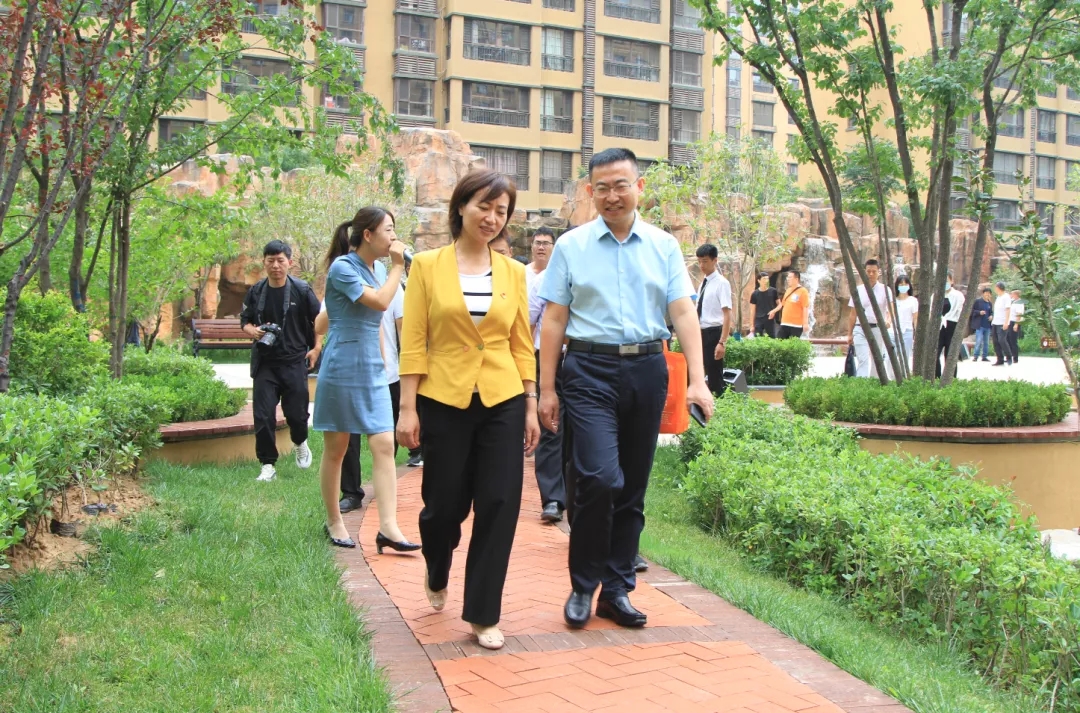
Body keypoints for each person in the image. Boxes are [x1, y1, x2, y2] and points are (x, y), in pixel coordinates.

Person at [537, 147, 714, 631]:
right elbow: (554, 320)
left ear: (639, 187)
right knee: (598, 478)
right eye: (602, 188)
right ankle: (583, 585)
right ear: (590, 192)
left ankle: (616, 591)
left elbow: (683, 312)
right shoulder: (571, 246)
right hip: (588, 370)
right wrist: (546, 389)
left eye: (621, 185)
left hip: (647, 369)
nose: (612, 195)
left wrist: (698, 381)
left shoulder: (663, 246)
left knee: (632, 485)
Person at [397, 168, 540, 651]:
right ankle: (437, 565)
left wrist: (530, 403)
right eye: (484, 206)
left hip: (502, 399)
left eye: (501, 211)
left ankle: (483, 613)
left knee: (499, 503)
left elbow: (520, 343)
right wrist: (408, 407)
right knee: (443, 507)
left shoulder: (514, 272)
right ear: (461, 206)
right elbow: (414, 339)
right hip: (443, 399)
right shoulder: (426, 266)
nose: (492, 218)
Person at [313, 207, 419, 554]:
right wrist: (400, 267)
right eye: (388, 229)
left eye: (394, 229)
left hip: (372, 368)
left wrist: (383, 363)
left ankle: (388, 528)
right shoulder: (343, 267)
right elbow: (379, 303)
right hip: (342, 365)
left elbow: (376, 324)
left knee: (385, 444)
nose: (394, 236)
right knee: (337, 448)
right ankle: (334, 520)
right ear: (368, 235)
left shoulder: (379, 269)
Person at [239, 240, 321, 482]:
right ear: (264, 262)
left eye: (280, 260)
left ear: (289, 262)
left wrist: (316, 348)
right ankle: (267, 464)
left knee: (297, 415)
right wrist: (252, 331)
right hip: (265, 362)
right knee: (263, 415)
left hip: (294, 360)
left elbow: (319, 321)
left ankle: (300, 442)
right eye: (270, 260)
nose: (275, 265)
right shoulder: (256, 291)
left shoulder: (301, 290)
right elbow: (244, 321)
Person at [528, 239, 567, 524]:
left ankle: (575, 496)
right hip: (547, 359)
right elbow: (529, 324)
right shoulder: (542, 281)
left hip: (584, 358)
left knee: (579, 430)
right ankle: (552, 498)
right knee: (551, 427)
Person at [314, 303, 365, 513]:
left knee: (384, 443)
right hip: (344, 370)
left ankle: (387, 510)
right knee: (345, 438)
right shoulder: (337, 287)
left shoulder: (387, 286)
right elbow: (320, 325)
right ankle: (351, 493)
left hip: (380, 371)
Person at [695, 244, 733, 396]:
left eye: (705, 261)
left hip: (714, 332)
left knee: (714, 375)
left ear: (715, 260)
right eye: (699, 261)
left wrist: (722, 342)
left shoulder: (722, 283)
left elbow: (727, 314)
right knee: (701, 371)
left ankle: (719, 402)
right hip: (701, 331)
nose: (701, 265)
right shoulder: (703, 283)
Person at [847, 259, 894, 379]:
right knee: (863, 359)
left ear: (879, 272)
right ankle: (862, 383)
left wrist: (888, 321)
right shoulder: (858, 290)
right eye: (868, 271)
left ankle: (875, 382)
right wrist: (849, 334)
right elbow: (852, 314)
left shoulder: (885, 289)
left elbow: (891, 309)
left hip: (877, 328)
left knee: (877, 359)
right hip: (860, 328)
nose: (871, 274)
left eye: (874, 271)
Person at [936, 272, 965, 378]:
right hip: (938, 326)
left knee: (950, 355)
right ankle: (936, 378)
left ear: (952, 281)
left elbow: (960, 312)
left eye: (947, 280)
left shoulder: (958, 295)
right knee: (935, 354)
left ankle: (950, 379)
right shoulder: (935, 295)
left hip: (952, 326)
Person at [770, 270, 810, 339]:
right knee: (779, 342)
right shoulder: (788, 290)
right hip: (784, 323)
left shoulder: (803, 291)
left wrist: (805, 323)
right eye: (787, 277)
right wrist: (773, 311)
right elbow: (782, 304)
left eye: (790, 277)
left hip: (796, 325)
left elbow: (805, 307)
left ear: (796, 279)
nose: (787, 279)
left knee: (792, 344)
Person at [893, 275, 918, 366]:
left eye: (905, 284)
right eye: (901, 284)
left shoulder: (913, 300)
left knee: (905, 358)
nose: (903, 286)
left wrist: (916, 334)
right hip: (893, 331)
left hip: (907, 331)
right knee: (890, 358)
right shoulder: (893, 300)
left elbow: (915, 318)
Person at [749, 272, 779, 338]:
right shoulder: (755, 294)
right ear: (759, 281)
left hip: (770, 318)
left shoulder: (773, 291)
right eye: (764, 279)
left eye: (767, 279)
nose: (766, 281)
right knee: (758, 338)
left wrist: (773, 311)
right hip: (758, 319)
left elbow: (780, 305)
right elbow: (752, 310)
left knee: (772, 338)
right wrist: (752, 325)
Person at [991, 281, 1014, 366]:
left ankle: (1009, 357)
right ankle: (1000, 359)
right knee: (995, 341)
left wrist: (1006, 322)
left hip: (1003, 322)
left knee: (1002, 340)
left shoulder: (1006, 297)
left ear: (998, 288)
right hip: (995, 322)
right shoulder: (998, 297)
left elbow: (1008, 309)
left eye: (995, 287)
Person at [527, 227, 554, 293]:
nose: (541, 247)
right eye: (538, 243)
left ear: (553, 247)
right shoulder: (523, 272)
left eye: (545, 243)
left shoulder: (558, 274)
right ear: (531, 246)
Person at [970, 287, 993, 362]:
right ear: (983, 294)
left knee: (986, 342)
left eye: (989, 294)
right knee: (978, 341)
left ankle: (984, 356)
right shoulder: (978, 301)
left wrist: (991, 316)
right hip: (979, 325)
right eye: (986, 293)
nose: (987, 295)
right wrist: (979, 312)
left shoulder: (990, 303)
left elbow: (991, 312)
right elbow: (972, 311)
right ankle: (975, 356)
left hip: (987, 325)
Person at [1008, 289, 1025, 362]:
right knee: (1008, 339)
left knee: (1013, 340)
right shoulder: (1013, 302)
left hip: (1015, 322)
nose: (1011, 295)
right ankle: (1010, 355)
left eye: (1012, 294)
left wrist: (1016, 324)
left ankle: (1015, 357)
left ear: (1016, 295)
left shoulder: (1019, 303)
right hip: (1010, 321)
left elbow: (1019, 314)